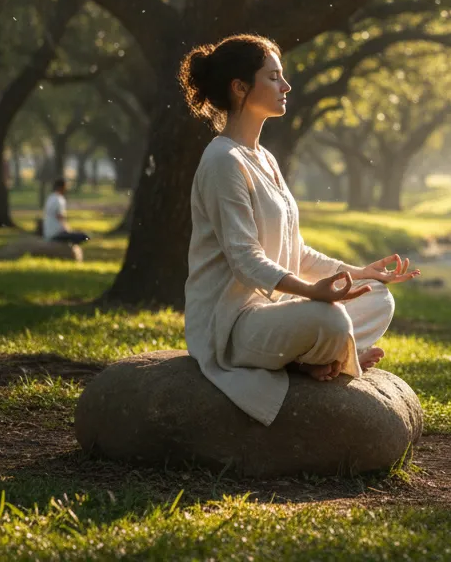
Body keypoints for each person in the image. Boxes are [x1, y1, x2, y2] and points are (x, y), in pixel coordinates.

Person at [180, 34, 420, 426]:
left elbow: (298, 252)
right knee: (329, 320)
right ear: (240, 87)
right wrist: (312, 293)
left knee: (378, 298)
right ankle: (330, 357)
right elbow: (244, 260)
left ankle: (316, 360)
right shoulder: (223, 161)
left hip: (275, 316)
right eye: (273, 77)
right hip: (233, 325)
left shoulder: (266, 159)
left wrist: (360, 274)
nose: (286, 86)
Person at [41, 179, 90, 245]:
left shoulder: (50, 198)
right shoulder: (59, 199)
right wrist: (68, 229)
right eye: (65, 187)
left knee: (75, 234)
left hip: (48, 233)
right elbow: (60, 217)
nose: (66, 189)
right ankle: (71, 247)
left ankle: (70, 245)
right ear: (61, 187)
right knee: (85, 237)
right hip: (57, 234)